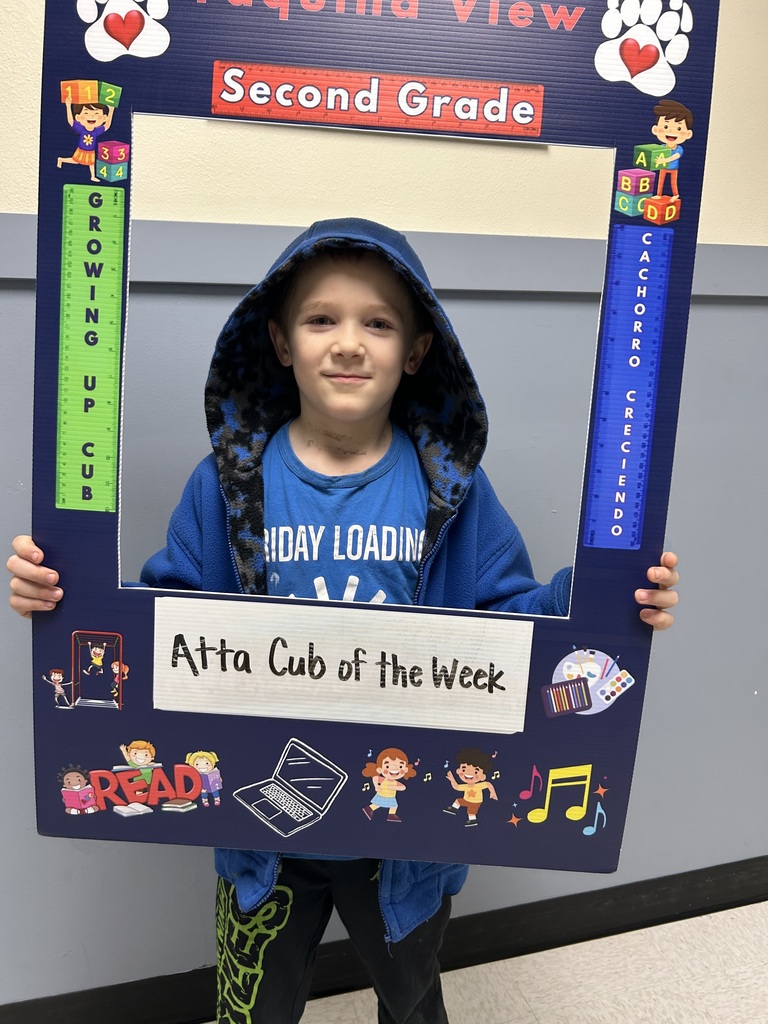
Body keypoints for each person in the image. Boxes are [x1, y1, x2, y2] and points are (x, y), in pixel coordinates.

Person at [8, 217, 679, 1023]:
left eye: (379, 323)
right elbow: (163, 623)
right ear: (282, 342)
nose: (350, 343)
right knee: (253, 1004)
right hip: (263, 834)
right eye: (322, 319)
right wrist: (66, 599)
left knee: (412, 999)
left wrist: (598, 601)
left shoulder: (453, 493)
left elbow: (512, 626)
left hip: (403, 841)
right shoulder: (227, 488)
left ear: (418, 349)